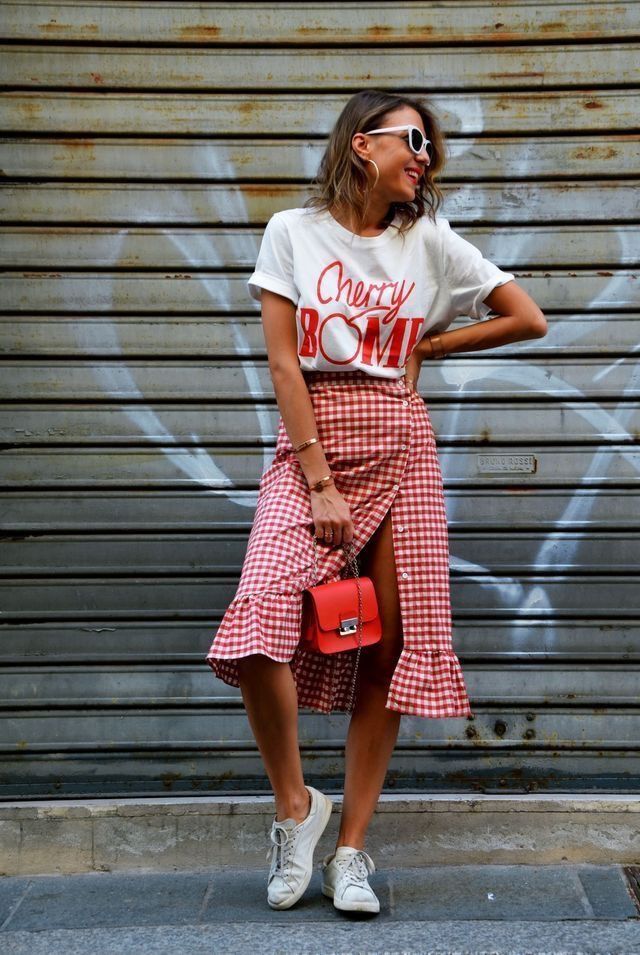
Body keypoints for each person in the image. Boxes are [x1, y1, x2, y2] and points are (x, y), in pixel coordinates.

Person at [206, 89, 547, 915]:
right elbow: (285, 366)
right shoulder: (293, 229)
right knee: (259, 619)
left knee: (386, 650)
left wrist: (430, 341)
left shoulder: (426, 239)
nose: (424, 157)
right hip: (313, 445)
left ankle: (350, 848)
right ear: (363, 145)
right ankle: (298, 808)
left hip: (400, 443)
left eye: (429, 146)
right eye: (411, 141)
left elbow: (525, 316)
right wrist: (318, 480)